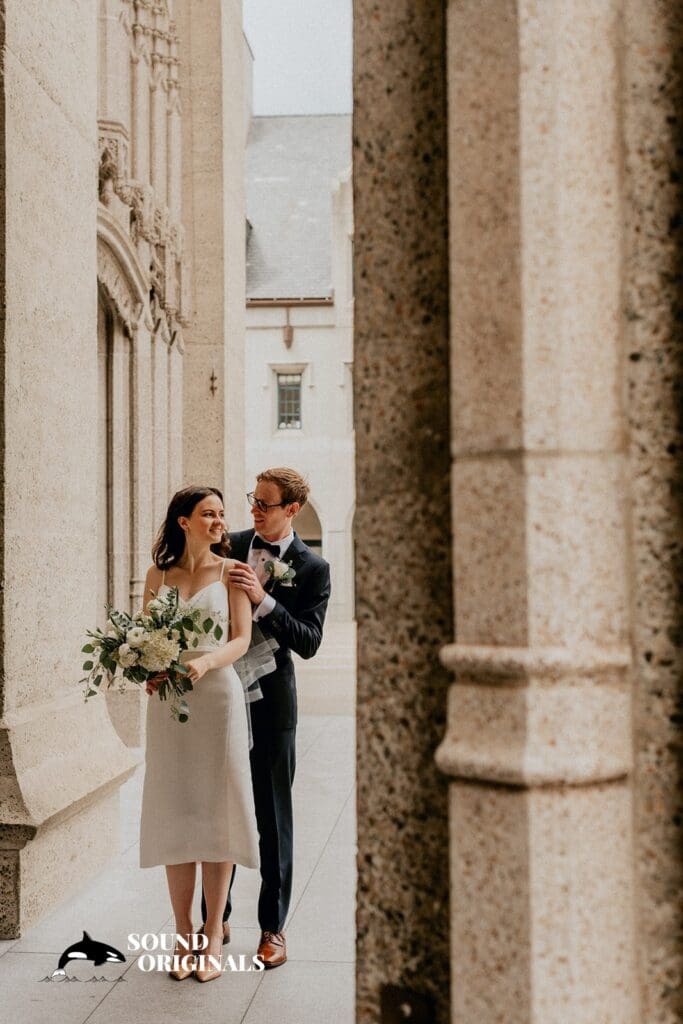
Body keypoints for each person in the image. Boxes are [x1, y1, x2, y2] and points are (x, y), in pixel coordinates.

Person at [202, 467, 331, 969]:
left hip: (273, 703)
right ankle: (216, 917)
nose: (254, 509)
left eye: (265, 503)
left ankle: (272, 928)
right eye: (252, 500)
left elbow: (310, 641)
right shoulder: (227, 545)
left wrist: (264, 600)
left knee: (272, 817)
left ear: (291, 510)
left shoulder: (313, 568)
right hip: (219, 694)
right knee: (220, 810)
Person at [139, 485, 258, 984]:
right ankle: (183, 931)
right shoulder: (157, 575)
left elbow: (242, 638)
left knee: (218, 810)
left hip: (217, 698)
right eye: (208, 514)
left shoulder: (232, 572)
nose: (219, 521)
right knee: (176, 808)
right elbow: (142, 638)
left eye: (222, 514)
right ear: (183, 521)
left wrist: (206, 662)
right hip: (170, 704)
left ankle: (211, 934)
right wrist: (144, 667)